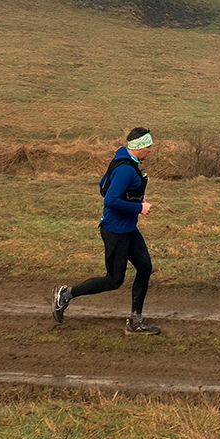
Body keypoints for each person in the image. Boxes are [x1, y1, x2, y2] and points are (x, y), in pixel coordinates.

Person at [52, 127, 160, 334]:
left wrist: (135, 197)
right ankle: (66, 295)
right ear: (138, 147)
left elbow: (103, 185)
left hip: (128, 229)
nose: (150, 149)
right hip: (116, 231)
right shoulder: (126, 168)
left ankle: (135, 321)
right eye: (148, 145)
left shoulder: (122, 161)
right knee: (114, 280)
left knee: (145, 267)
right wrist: (139, 207)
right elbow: (110, 200)